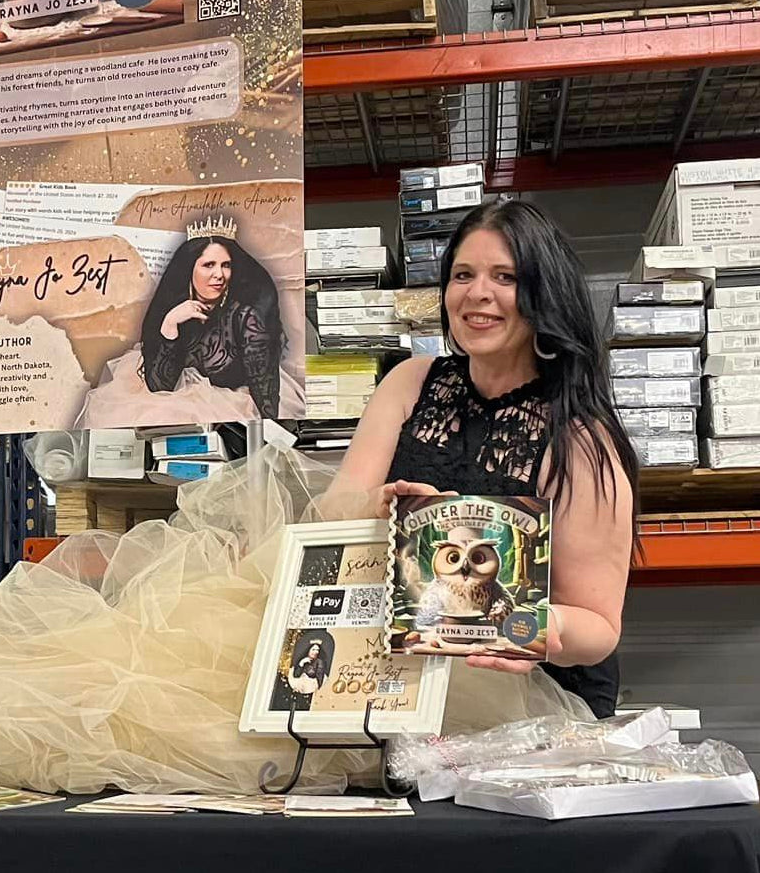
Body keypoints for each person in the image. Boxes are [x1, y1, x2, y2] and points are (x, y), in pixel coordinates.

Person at [322, 199, 637, 718]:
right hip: (405, 681)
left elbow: (598, 628)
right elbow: (330, 514)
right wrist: (377, 507)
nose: (478, 294)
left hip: (535, 697)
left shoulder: (579, 437)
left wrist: (520, 628)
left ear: (544, 293)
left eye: (505, 277)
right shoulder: (410, 382)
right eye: (463, 275)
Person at [139, 223, 284, 419]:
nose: (219, 275)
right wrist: (170, 323)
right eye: (209, 265)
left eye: (226, 265)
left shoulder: (244, 318)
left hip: (233, 415)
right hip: (176, 417)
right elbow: (159, 388)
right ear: (189, 269)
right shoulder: (172, 312)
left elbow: (264, 388)